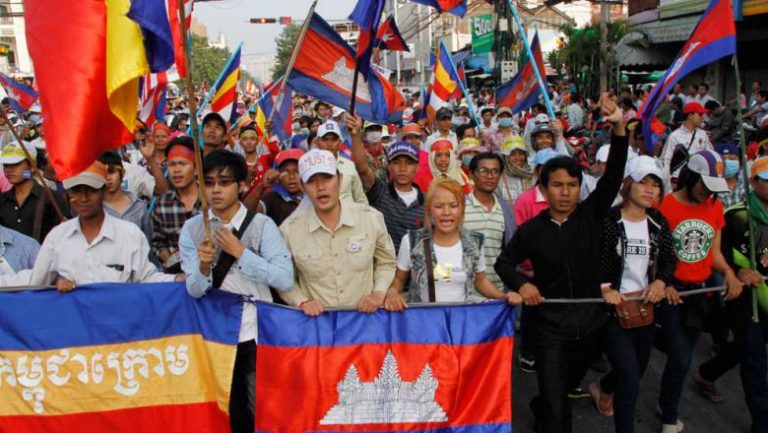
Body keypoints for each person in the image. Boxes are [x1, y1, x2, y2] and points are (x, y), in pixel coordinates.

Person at [495, 93, 629, 433]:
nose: (565, 192)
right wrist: (523, 285)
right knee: (558, 414)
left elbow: (613, 176)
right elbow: (504, 264)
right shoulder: (531, 230)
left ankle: (542, 404)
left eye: (572, 185)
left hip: (591, 326)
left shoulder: (590, 216)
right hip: (550, 329)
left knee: (561, 390)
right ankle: (549, 410)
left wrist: (619, 132)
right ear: (544, 188)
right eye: (557, 185)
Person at [179, 150, 293, 433]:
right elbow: (194, 290)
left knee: (262, 405)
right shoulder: (193, 229)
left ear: (241, 185)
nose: (216, 189)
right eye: (209, 182)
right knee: (227, 406)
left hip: (257, 330)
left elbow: (284, 278)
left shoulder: (261, 225)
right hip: (215, 332)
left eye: (225, 182)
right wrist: (204, 268)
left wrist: (241, 253)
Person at [656, 149, 745, 433]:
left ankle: (662, 401)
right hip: (671, 292)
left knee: (679, 354)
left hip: (700, 295)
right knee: (680, 357)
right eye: (703, 185)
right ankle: (669, 414)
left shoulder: (715, 207)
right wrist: (664, 283)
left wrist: (730, 273)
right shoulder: (665, 207)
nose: (707, 193)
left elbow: (714, 252)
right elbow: (655, 256)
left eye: (713, 188)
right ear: (690, 176)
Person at [587, 156, 676, 433]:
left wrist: (661, 282)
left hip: (646, 311)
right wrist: (605, 289)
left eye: (655, 185)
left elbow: (670, 260)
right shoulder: (609, 220)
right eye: (643, 183)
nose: (650, 190)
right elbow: (592, 259)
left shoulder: (659, 222)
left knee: (635, 369)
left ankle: (601, 387)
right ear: (628, 185)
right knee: (630, 379)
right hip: (613, 313)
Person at [24, 161, 178, 291]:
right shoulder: (57, 237)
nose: (84, 198)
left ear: (104, 192)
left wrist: (177, 280)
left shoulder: (130, 235)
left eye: (91, 190)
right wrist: (57, 282)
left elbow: (147, 278)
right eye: (77, 191)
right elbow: (37, 285)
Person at [279, 149, 396, 316]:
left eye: (327, 178)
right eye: (312, 181)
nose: (320, 187)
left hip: (366, 323)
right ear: (303, 187)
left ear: (340, 180)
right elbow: (283, 278)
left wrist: (378, 293)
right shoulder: (289, 231)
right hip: (318, 328)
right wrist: (302, 301)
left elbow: (387, 262)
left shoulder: (370, 219)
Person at [383, 178, 522, 308]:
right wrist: (393, 291)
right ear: (430, 211)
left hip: (459, 323)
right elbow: (400, 280)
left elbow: (480, 280)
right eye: (439, 206)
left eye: (453, 205)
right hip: (423, 323)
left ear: (462, 210)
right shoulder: (411, 241)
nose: (446, 212)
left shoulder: (473, 242)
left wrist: (503, 296)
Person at [720, 156, 768, 433]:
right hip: (745, 299)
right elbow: (720, 254)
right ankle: (762, 420)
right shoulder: (736, 215)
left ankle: (707, 373)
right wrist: (737, 271)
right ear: (753, 182)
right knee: (755, 360)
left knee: (745, 349)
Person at [348, 114, 424, 253]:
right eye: (396, 162)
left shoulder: (426, 202)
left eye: (409, 162)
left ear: (417, 167)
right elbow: (363, 170)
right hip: (386, 268)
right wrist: (355, 135)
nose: (402, 168)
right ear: (388, 166)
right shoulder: (380, 193)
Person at [464, 152, 516, 291]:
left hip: (498, 291)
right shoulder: (459, 207)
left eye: (495, 171)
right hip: (465, 294)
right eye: (484, 171)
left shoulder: (506, 211)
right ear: (472, 174)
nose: (490, 176)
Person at [0, 141, 69, 243]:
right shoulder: (2, 200)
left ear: (32, 166)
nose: (9, 169)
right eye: (6, 165)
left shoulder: (52, 198)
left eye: (16, 164)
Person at [151, 137, 201, 273]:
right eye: (172, 164)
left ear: (196, 168)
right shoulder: (162, 204)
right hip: (174, 277)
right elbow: (157, 242)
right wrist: (170, 260)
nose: (176, 170)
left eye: (182, 164)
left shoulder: (211, 200)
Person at [98, 151, 153, 242]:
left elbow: (148, 242)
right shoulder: (95, 209)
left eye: (111, 172)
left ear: (123, 173)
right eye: (103, 173)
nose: (108, 178)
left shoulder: (139, 207)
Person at [315, 120, 368, 205]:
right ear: (317, 142)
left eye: (333, 139)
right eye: (325, 139)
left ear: (340, 142)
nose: (329, 144)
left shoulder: (349, 166)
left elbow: (360, 200)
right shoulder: (311, 168)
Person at [660, 102, 713, 184]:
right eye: (700, 114)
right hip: (677, 180)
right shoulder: (674, 136)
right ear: (690, 116)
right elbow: (665, 160)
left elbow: (711, 154)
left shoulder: (703, 134)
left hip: (696, 179)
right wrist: (667, 183)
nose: (702, 117)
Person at [257, 149, 304, 226]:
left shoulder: (313, 196)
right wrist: (262, 186)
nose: (291, 177)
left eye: (297, 171)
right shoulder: (271, 198)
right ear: (277, 174)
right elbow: (247, 213)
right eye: (286, 172)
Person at [498, 135, 535, 208]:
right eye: (513, 154)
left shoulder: (533, 174)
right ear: (506, 157)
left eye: (521, 153)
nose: (517, 158)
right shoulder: (499, 177)